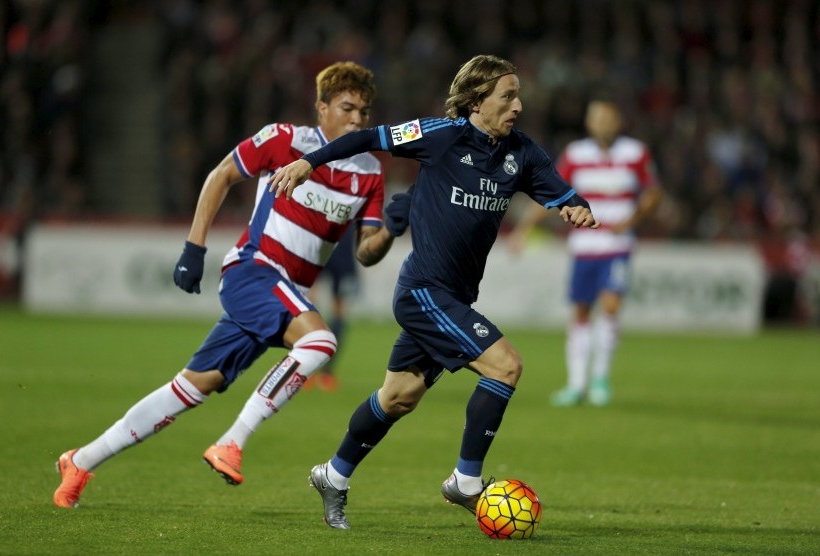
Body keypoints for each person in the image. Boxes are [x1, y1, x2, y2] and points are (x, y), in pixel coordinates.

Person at [53, 61, 412, 508]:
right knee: (320, 342)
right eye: (347, 108)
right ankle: (233, 441)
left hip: (286, 294)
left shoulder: (369, 173)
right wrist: (193, 247)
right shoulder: (286, 140)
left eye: (365, 111)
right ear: (321, 108)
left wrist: (392, 230)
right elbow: (221, 173)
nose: (358, 119)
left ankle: (81, 460)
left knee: (192, 387)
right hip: (254, 270)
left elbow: (365, 252)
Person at [268, 54, 599, 529]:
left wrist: (577, 208)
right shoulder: (442, 135)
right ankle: (465, 482)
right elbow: (368, 137)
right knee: (506, 366)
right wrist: (308, 162)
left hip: (455, 299)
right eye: (507, 96)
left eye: (518, 96)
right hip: (423, 291)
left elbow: (562, 193)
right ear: (477, 100)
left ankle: (333, 476)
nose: (518, 105)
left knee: (398, 395)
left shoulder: (521, 153)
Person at [509, 98, 663, 407]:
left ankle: (600, 379)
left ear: (618, 120)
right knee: (580, 311)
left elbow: (654, 193)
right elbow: (551, 191)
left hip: (617, 246)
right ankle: (576, 384)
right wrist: (524, 228)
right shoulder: (576, 154)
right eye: (595, 117)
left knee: (610, 305)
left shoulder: (635, 152)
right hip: (584, 246)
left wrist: (631, 220)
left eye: (605, 117)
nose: (600, 123)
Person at [304, 226, 360, 391]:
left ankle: (323, 371)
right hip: (322, 242)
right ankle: (316, 370)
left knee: (333, 311)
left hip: (333, 244)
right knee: (312, 306)